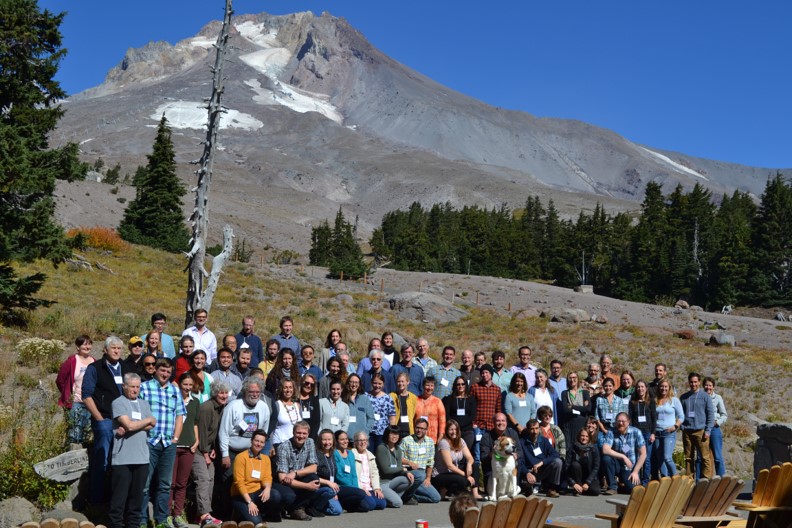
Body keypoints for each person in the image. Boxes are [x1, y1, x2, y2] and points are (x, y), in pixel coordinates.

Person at [82, 335, 130, 504]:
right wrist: (100, 419)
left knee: (121, 462)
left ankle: (116, 500)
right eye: (113, 348)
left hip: (124, 420)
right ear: (105, 350)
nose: (117, 351)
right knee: (102, 460)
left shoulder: (126, 367)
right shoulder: (95, 368)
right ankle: (96, 501)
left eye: (119, 348)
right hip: (105, 419)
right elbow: (86, 395)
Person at [139, 358, 186, 528]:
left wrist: (175, 438)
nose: (165, 374)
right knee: (144, 484)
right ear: (156, 370)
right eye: (162, 371)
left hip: (168, 443)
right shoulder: (144, 388)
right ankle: (142, 520)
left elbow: (180, 415)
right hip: (149, 440)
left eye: (168, 372)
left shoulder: (174, 391)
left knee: (165, 485)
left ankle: (161, 520)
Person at [218, 377, 273, 515]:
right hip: (232, 451)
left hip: (251, 452)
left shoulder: (263, 407)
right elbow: (223, 432)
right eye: (251, 391)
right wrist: (224, 454)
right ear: (245, 391)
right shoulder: (233, 406)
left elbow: (263, 433)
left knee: (251, 483)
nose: (254, 394)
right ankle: (226, 514)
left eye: (257, 392)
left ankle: (244, 512)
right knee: (229, 483)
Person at [108, 373, 155, 528]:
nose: (135, 390)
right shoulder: (118, 403)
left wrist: (133, 424)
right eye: (132, 387)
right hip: (123, 458)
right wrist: (145, 421)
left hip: (142, 458)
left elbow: (150, 425)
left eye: (137, 387)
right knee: (119, 500)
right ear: (124, 387)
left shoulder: (144, 404)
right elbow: (131, 425)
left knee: (136, 500)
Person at [276, 421, 333, 520]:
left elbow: (314, 467)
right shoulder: (283, 447)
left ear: (308, 434)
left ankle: (298, 508)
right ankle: (284, 508)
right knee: (289, 496)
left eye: (304, 433)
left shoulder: (310, 442)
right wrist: (307, 486)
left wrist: (295, 473)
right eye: (298, 433)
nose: (301, 436)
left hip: (296, 477)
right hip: (286, 483)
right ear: (293, 432)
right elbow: (282, 478)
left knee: (314, 478)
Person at [193, 381, 230, 527]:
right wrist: (205, 453)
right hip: (197, 450)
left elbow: (214, 433)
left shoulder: (222, 408)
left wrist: (213, 448)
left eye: (226, 393)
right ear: (214, 393)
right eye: (221, 393)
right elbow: (201, 433)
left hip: (208, 449)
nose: (224, 395)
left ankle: (201, 514)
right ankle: (205, 515)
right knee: (202, 479)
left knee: (211, 479)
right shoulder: (206, 408)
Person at [231, 429, 286, 524]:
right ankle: (240, 513)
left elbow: (267, 477)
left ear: (264, 444)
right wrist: (249, 502)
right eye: (256, 441)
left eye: (262, 442)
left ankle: (258, 513)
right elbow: (238, 482)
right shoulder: (241, 457)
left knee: (275, 495)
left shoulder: (265, 459)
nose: (258, 444)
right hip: (241, 495)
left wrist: (267, 488)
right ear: (251, 441)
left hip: (256, 492)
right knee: (256, 522)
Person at [169, 373, 200, 528]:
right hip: (174, 446)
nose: (187, 388)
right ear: (179, 384)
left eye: (190, 385)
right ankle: (167, 514)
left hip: (188, 447)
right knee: (170, 483)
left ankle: (178, 515)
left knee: (182, 484)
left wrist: (197, 441)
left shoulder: (195, 402)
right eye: (184, 385)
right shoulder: (173, 399)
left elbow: (195, 423)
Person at [315, 428, 370, 514]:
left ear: (333, 441)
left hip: (335, 487)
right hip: (324, 487)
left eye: (329, 439)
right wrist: (330, 485)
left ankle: (341, 502)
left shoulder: (332, 454)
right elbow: (314, 476)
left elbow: (353, 473)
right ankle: (316, 506)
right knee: (337, 510)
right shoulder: (317, 455)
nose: (327, 442)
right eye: (324, 440)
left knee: (365, 506)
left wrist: (355, 487)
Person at [57, 335, 96, 445]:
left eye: (89, 344)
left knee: (87, 432)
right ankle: (71, 458)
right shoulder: (72, 361)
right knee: (74, 432)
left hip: (90, 402)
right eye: (84, 344)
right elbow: (60, 379)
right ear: (78, 347)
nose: (87, 346)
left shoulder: (94, 361)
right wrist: (67, 394)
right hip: (75, 402)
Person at [470, 364, 503, 486]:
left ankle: (489, 483)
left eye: (487, 373)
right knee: (478, 457)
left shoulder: (497, 389)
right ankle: (478, 486)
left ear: (491, 374)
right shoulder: (475, 388)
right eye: (482, 373)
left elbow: (498, 409)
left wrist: (499, 426)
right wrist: (473, 423)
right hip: (478, 427)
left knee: (492, 455)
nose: (484, 375)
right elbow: (471, 407)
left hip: (491, 428)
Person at [432, 420, 480, 500]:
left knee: (474, 465)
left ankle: (475, 493)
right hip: (441, 473)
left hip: (453, 472)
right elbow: (449, 466)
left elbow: (470, 458)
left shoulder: (461, 441)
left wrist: (469, 465)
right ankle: (445, 489)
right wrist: (466, 475)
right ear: (447, 431)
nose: (454, 432)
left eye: (455, 429)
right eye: (451, 429)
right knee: (463, 480)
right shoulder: (444, 443)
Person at [375, 425, 421, 507]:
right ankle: (387, 498)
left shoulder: (398, 449)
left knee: (409, 479)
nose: (394, 436)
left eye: (397, 434)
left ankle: (392, 496)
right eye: (392, 434)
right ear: (387, 435)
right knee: (398, 503)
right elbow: (386, 470)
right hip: (382, 483)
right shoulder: (381, 448)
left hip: (392, 481)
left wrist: (406, 473)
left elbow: (399, 468)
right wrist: (403, 468)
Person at [601, 412, 646, 495]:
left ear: (628, 422)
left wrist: (635, 472)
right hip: (617, 465)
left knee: (633, 489)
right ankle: (612, 487)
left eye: (623, 421)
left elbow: (643, 454)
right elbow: (605, 450)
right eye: (618, 421)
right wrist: (623, 457)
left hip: (630, 467)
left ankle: (622, 486)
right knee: (606, 459)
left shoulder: (636, 432)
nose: (620, 423)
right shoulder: (611, 432)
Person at [680, 372, 715, 480]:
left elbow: (710, 414)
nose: (693, 384)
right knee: (688, 458)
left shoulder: (705, 397)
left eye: (695, 382)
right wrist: (681, 426)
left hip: (701, 431)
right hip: (687, 431)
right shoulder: (684, 397)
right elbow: (680, 413)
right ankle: (690, 479)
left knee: (705, 457)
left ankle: (706, 479)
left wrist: (708, 430)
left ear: (699, 382)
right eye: (691, 382)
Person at [400, 418, 441, 503]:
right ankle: (408, 496)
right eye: (417, 427)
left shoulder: (430, 442)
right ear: (414, 428)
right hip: (409, 473)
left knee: (436, 498)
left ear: (426, 430)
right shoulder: (406, 440)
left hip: (422, 476)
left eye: (422, 428)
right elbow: (398, 458)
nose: (419, 430)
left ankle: (411, 497)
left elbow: (430, 461)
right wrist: (409, 462)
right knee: (421, 474)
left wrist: (428, 478)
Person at [518, 419, 562, 497]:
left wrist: (541, 463)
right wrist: (527, 473)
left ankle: (552, 489)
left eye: (537, 428)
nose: (535, 431)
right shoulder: (522, 442)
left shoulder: (544, 440)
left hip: (541, 469)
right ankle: (527, 486)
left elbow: (555, 454)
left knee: (558, 462)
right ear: (528, 430)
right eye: (532, 429)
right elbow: (520, 460)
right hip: (529, 471)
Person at [479, 413, 521, 490]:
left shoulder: (513, 433)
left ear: (506, 422)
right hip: (493, 470)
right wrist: (495, 453)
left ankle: (515, 489)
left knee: (519, 463)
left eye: (503, 421)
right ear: (493, 423)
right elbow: (483, 457)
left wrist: (516, 455)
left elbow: (520, 451)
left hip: (508, 468)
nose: (501, 423)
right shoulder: (486, 437)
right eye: (498, 421)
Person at [653, 377, 683, 478]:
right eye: (662, 386)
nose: (663, 389)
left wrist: (675, 426)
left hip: (668, 433)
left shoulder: (674, 400)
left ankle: (675, 477)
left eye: (666, 386)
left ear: (669, 388)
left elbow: (681, 416)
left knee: (667, 457)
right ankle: (664, 478)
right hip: (657, 432)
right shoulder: (655, 400)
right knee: (660, 458)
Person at [629, 379, 657, 485]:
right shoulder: (632, 402)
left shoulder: (651, 401)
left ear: (646, 388)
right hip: (636, 434)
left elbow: (654, 418)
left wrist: (653, 433)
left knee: (646, 458)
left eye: (642, 387)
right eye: (638, 387)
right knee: (636, 457)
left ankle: (645, 481)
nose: (640, 389)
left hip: (647, 433)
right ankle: (636, 480)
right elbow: (630, 418)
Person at [352, 431, 389, 509]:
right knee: (371, 505)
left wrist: (377, 488)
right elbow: (353, 475)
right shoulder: (352, 455)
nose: (363, 443)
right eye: (360, 440)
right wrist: (361, 488)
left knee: (382, 504)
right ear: (355, 442)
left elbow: (374, 474)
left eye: (365, 440)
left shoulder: (370, 456)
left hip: (369, 487)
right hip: (359, 487)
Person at [443, 376, 477, 453]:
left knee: (465, 453)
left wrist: (460, 425)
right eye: (458, 384)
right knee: (454, 452)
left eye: (463, 384)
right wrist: (455, 426)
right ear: (455, 386)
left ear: (466, 385)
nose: (460, 386)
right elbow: (447, 415)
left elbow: (472, 416)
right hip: (453, 431)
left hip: (467, 430)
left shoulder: (471, 399)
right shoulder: (449, 399)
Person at [703, 376, 728, 477]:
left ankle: (722, 478)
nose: (708, 387)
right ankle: (704, 478)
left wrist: (717, 422)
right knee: (703, 457)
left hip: (714, 429)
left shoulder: (718, 398)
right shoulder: (700, 397)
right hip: (702, 428)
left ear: (713, 387)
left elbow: (724, 414)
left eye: (710, 385)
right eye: (706, 385)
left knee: (717, 456)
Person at [559, 371, 591, 450]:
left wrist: (572, 406)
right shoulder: (565, 393)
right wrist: (581, 408)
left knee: (581, 445)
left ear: (578, 379)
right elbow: (566, 410)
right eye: (570, 378)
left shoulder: (585, 393)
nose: (572, 380)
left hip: (582, 423)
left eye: (574, 378)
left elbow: (588, 409)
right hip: (569, 424)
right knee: (569, 447)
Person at [565, 427, 601, 496]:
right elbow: (566, 467)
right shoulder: (572, 448)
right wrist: (573, 483)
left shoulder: (594, 449)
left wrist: (588, 482)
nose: (584, 438)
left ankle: (581, 489)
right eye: (582, 436)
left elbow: (596, 467)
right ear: (579, 436)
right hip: (576, 477)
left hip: (589, 476)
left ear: (590, 437)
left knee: (596, 491)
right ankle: (578, 487)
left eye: (587, 436)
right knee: (575, 464)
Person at [368, 373, 397, 450]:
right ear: (371, 383)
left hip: (382, 433)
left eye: (379, 383)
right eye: (375, 383)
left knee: (380, 455)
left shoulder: (388, 398)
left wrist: (391, 432)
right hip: (368, 432)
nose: (377, 386)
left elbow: (392, 416)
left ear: (383, 384)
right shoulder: (366, 396)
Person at [271, 380, 302, 451]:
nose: (288, 390)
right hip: (280, 444)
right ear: (281, 389)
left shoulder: (297, 405)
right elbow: (271, 426)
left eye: (290, 387)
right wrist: (270, 445)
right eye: (285, 387)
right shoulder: (277, 405)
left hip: (295, 445)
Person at [415, 376, 446, 444]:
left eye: (432, 386)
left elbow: (442, 422)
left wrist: (440, 438)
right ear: (423, 386)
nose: (429, 388)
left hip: (432, 439)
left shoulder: (438, 402)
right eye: (427, 385)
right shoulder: (416, 400)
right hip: (417, 437)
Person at [391, 371, 417, 439]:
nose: (400, 383)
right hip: (396, 430)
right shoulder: (391, 396)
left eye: (403, 381)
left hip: (409, 431)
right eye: (398, 381)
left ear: (407, 382)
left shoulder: (413, 398)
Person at [297, 374, 321, 440]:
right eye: (307, 383)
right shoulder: (295, 399)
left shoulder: (314, 400)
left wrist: (310, 438)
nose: (309, 386)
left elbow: (316, 421)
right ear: (302, 382)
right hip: (296, 435)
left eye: (312, 385)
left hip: (310, 436)